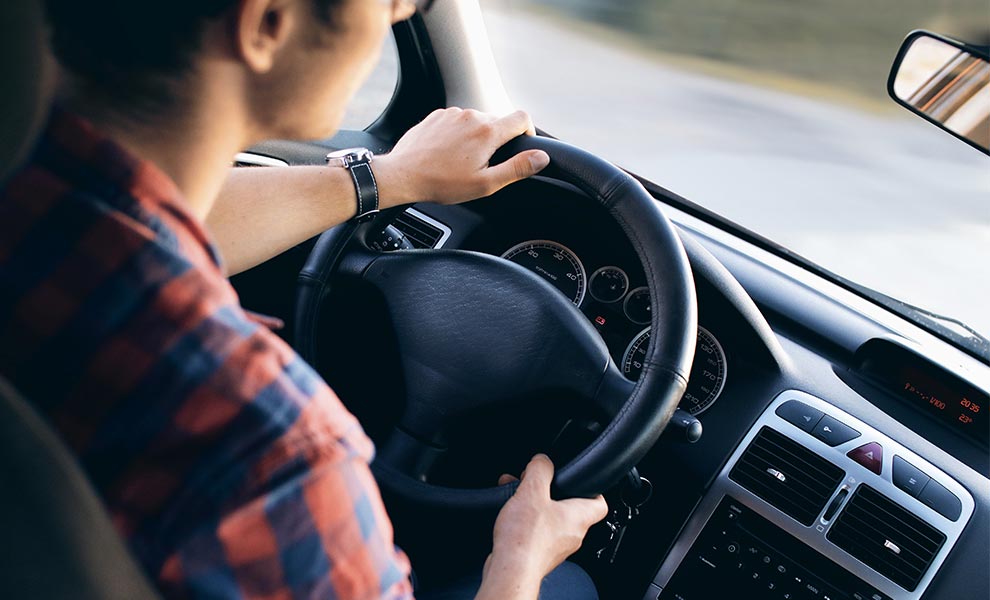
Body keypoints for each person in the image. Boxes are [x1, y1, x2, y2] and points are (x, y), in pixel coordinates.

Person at [0, 0, 609, 598]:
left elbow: (157, 218)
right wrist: (521, 560)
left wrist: (391, 177)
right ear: (267, 21)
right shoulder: (273, 451)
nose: (401, 12)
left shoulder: (31, 197)